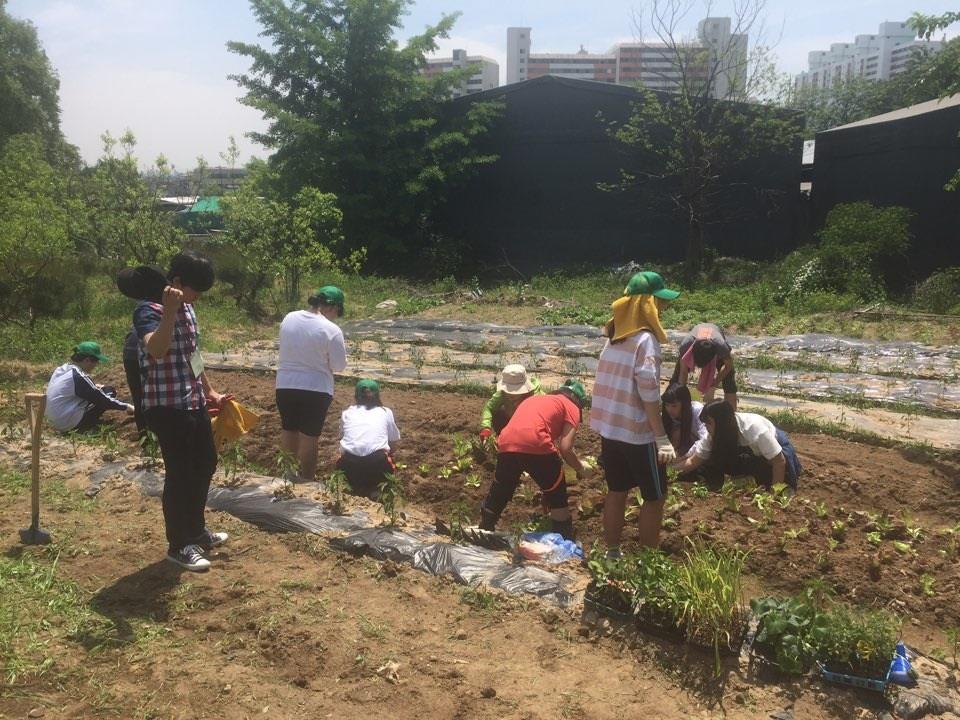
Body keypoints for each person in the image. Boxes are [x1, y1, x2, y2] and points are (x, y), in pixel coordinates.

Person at [134, 251, 229, 572]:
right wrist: (170, 311)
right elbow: (156, 349)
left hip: (192, 401)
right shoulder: (148, 311)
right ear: (176, 282)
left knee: (205, 462)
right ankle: (178, 545)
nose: (198, 297)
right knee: (180, 473)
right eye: (195, 290)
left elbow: (192, 354)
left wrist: (210, 390)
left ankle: (196, 530)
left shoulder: (188, 308)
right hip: (165, 406)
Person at [590, 270, 680, 553]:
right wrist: (660, 436)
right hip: (637, 434)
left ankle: (612, 553)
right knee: (655, 497)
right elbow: (648, 389)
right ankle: (647, 563)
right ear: (648, 304)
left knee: (617, 491)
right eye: (660, 302)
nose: (663, 308)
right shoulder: (645, 341)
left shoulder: (614, 337)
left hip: (611, 431)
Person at [479, 380, 591, 540]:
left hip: (507, 440)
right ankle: (563, 538)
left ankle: (485, 526)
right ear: (578, 401)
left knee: (502, 486)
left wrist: (546, 487)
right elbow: (565, 448)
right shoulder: (571, 406)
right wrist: (581, 468)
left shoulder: (536, 399)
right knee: (558, 493)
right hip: (535, 440)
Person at [276, 286, 347, 482]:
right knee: (309, 436)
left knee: (288, 429)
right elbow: (339, 366)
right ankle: (307, 480)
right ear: (332, 308)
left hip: (285, 385)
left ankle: (287, 476)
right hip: (316, 389)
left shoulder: (289, 318)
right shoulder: (331, 330)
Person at [673, 400, 802, 490]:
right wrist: (668, 473)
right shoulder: (712, 434)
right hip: (750, 452)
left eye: (709, 423)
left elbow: (779, 462)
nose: (706, 428)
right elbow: (693, 461)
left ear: (722, 423)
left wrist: (774, 494)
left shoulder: (754, 430)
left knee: (783, 481)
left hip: (777, 447)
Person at [45, 341, 133, 433]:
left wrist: (94, 387)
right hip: (66, 424)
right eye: (96, 361)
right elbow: (103, 400)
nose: (97, 364)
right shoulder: (78, 376)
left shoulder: (62, 369)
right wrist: (128, 407)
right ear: (87, 360)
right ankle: (85, 428)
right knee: (109, 392)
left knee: (98, 392)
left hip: (53, 421)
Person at [336, 379, 400, 499]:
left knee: (343, 460)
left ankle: (352, 488)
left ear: (356, 396)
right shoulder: (386, 412)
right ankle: (377, 491)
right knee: (386, 461)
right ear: (377, 396)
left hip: (349, 464)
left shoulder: (347, 413)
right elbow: (394, 442)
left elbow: (343, 437)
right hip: (377, 464)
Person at [670, 322, 738, 410]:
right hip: (693, 342)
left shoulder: (720, 346)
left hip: (716, 340)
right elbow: (683, 373)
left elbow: (728, 366)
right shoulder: (686, 345)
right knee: (676, 379)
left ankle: (732, 414)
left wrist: (714, 383)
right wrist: (680, 394)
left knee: (729, 380)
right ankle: (672, 406)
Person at [479, 364, 543, 439]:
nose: (511, 394)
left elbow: (540, 421)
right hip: (510, 420)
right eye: (509, 391)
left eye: (516, 391)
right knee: (498, 413)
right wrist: (486, 427)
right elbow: (489, 408)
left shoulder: (535, 397)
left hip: (532, 426)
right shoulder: (502, 394)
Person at [661, 383, 708, 460]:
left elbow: (706, 440)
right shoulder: (668, 416)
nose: (669, 409)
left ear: (684, 404)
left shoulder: (698, 412)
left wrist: (686, 458)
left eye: (674, 406)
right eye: (667, 405)